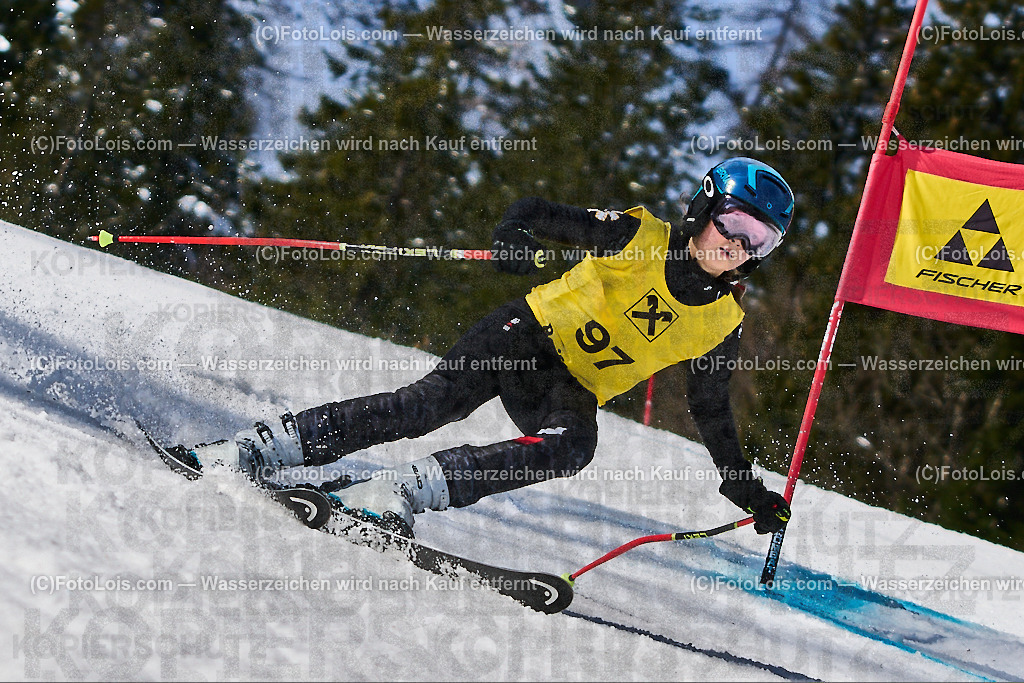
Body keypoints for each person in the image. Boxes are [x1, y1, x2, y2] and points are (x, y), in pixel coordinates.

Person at [187, 157, 794, 538]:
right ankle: (257, 447)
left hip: (570, 386)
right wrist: (512, 234)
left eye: (760, 240)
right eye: (735, 223)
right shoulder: (639, 236)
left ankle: (400, 491)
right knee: (427, 406)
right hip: (525, 335)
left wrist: (742, 485)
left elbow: (711, 410)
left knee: (572, 446)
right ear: (703, 208)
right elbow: (534, 211)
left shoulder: (723, 322)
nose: (739, 246)